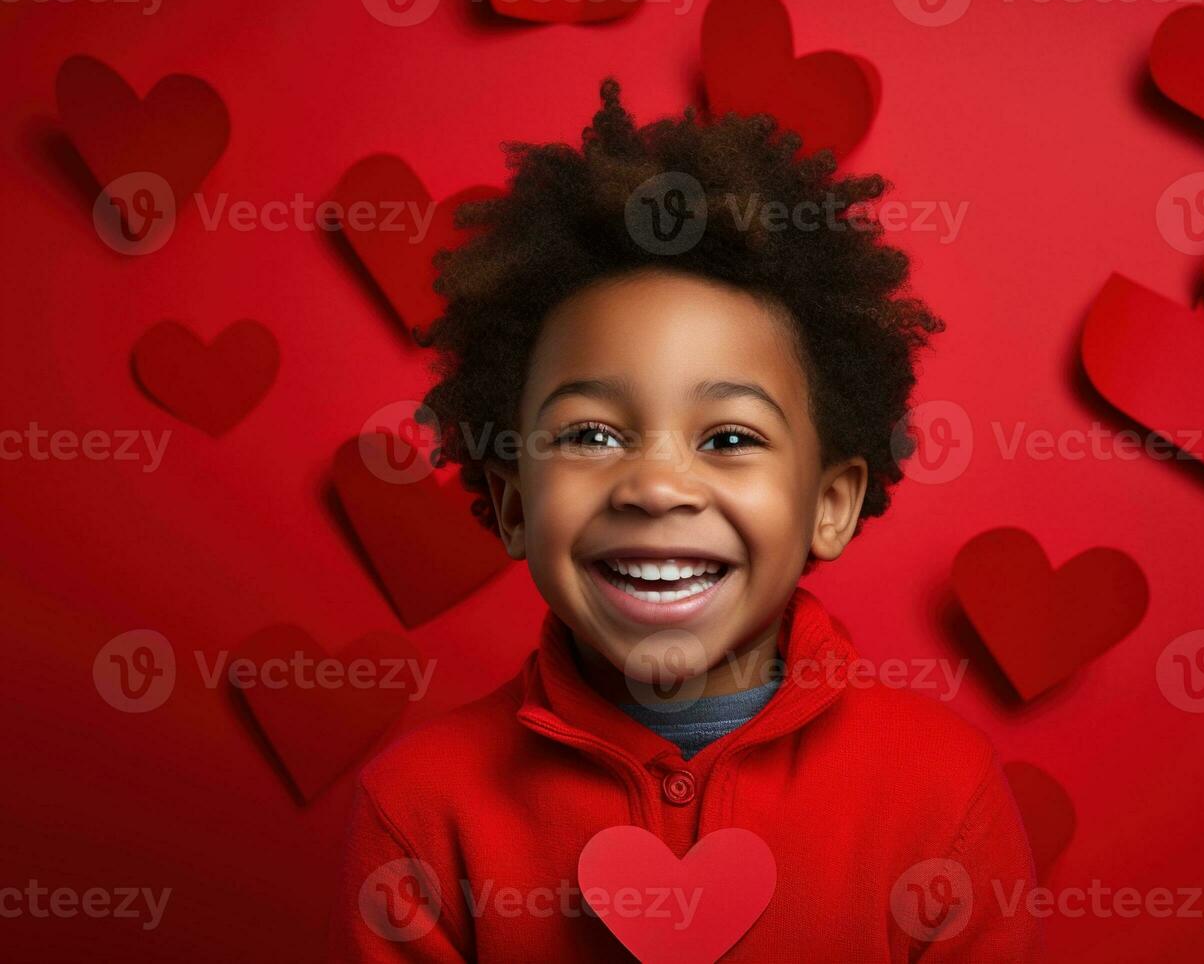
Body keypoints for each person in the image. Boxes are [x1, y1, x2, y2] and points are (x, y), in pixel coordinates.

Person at [330, 79, 1038, 962]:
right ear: (514, 504)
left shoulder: (943, 794)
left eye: (731, 436)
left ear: (830, 504)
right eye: (590, 433)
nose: (658, 487)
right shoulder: (418, 812)